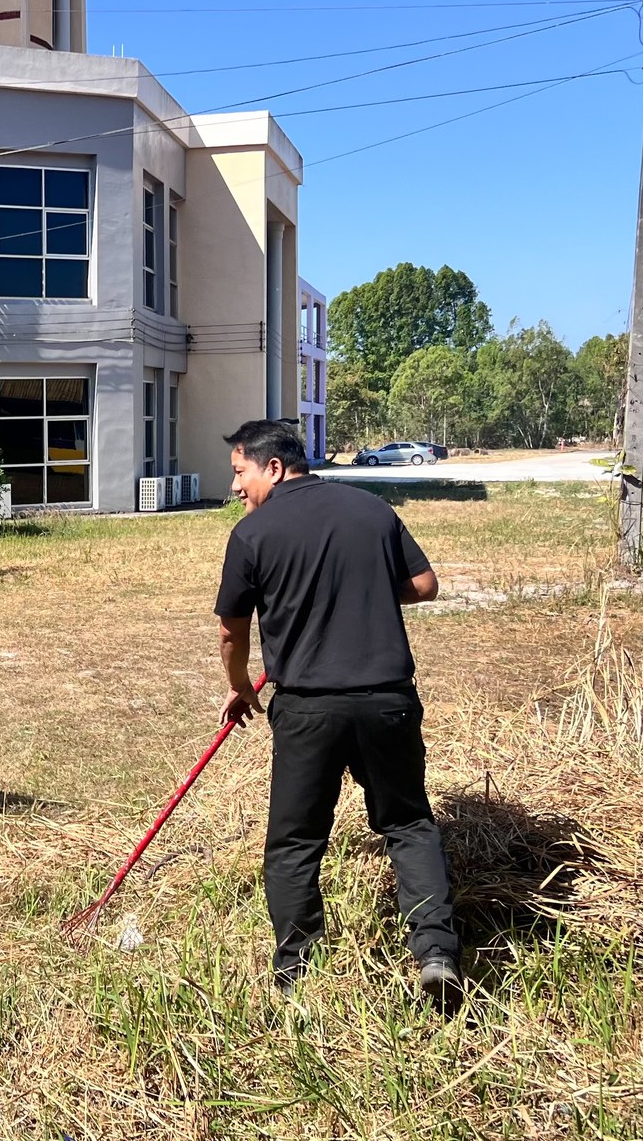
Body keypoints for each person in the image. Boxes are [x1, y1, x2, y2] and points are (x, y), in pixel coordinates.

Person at [210, 419, 463, 1007]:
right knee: (408, 824)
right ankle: (436, 954)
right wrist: (361, 590)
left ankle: (296, 974)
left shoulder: (252, 533)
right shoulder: (371, 509)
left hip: (308, 710)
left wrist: (241, 686)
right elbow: (424, 585)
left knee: (295, 840)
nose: (236, 486)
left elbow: (230, 631)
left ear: (274, 468)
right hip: (388, 702)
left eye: (241, 472)